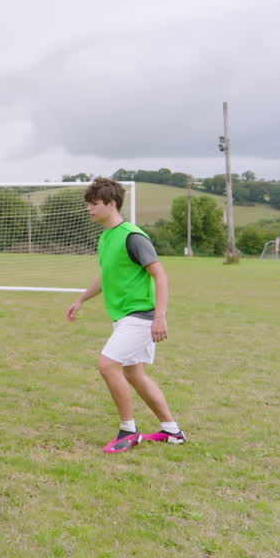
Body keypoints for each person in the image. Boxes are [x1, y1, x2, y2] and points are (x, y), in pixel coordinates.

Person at [66, 177, 185, 453]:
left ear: (111, 204)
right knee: (135, 374)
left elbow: (160, 275)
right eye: (88, 204)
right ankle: (172, 431)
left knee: (108, 365)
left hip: (141, 316)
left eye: (94, 204)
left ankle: (128, 430)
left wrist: (160, 316)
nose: (89, 209)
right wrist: (82, 299)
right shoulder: (107, 236)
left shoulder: (133, 236)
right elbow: (106, 275)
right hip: (125, 318)